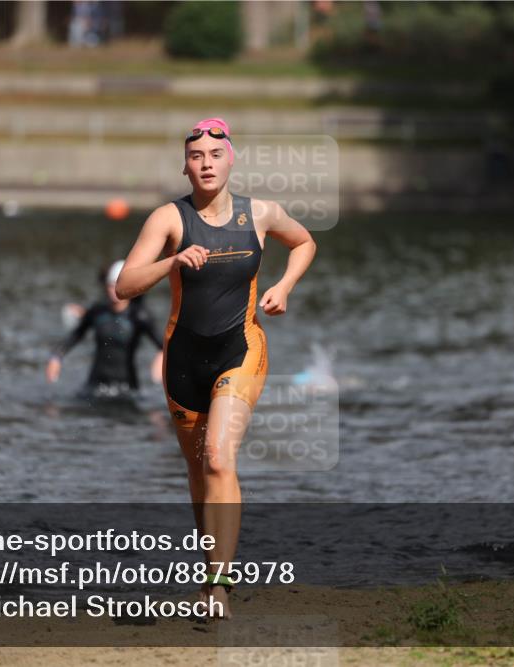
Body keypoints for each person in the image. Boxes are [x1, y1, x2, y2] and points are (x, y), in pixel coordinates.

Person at [114, 118, 316, 619]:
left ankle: (220, 587)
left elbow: (306, 242)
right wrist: (172, 263)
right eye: (197, 157)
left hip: (240, 349)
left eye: (215, 155)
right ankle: (210, 575)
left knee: (221, 459)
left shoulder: (261, 213)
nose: (206, 163)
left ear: (232, 160)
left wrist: (284, 287)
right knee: (200, 474)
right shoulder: (168, 219)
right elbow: (124, 285)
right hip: (183, 360)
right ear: (185, 167)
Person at [46, 260, 163, 397]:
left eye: (118, 285)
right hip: (95, 386)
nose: (114, 290)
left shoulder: (139, 316)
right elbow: (75, 336)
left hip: (126, 389)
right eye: (111, 285)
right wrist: (56, 357)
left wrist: (160, 359)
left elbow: (163, 345)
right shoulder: (97, 312)